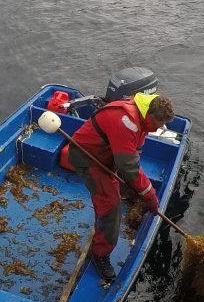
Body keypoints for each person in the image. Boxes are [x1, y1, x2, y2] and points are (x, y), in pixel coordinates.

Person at [58, 92, 176, 284]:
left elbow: (133, 153)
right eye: (157, 124)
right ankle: (99, 255)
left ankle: (127, 192)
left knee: (127, 183)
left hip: (108, 155)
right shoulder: (127, 121)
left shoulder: (142, 115)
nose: (157, 129)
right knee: (110, 205)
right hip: (88, 158)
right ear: (149, 116)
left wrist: (137, 185)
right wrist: (150, 195)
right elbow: (128, 166)